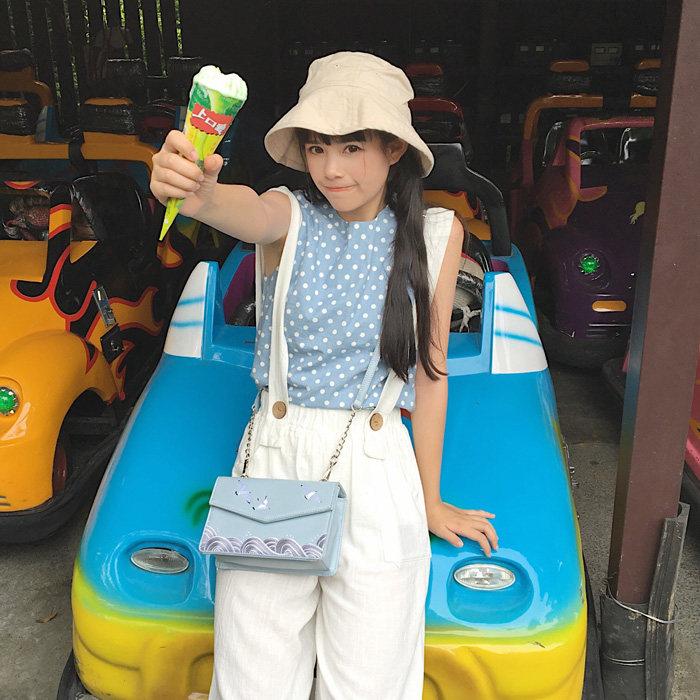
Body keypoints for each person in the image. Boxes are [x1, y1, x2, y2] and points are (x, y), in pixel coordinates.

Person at [150, 51, 498, 700]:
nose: (331, 168)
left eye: (352, 146)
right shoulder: (289, 215)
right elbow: (242, 210)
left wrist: (429, 498)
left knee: (370, 684)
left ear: (394, 148)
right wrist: (197, 192)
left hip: (378, 463)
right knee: (253, 683)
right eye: (316, 147)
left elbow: (430, 375)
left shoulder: (436, 234)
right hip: (275, 460)